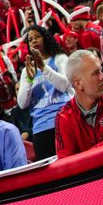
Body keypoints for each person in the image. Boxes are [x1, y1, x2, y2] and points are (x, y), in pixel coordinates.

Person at [55, 50, 103, 158]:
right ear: (78, 84)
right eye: (96, 73)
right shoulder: (64, 118)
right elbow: (67, 165)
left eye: (101, 70)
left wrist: (86, 156)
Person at [17, 25, 73, 160]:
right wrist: (30, 80)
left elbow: (65, 84)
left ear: (46, 38)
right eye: (30, 40)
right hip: (41, 128)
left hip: (64, 120)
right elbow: (22, 104)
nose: (34, 41)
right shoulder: (27, 70)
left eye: (37, 37)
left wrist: (43, 67)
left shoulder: (59, 58)